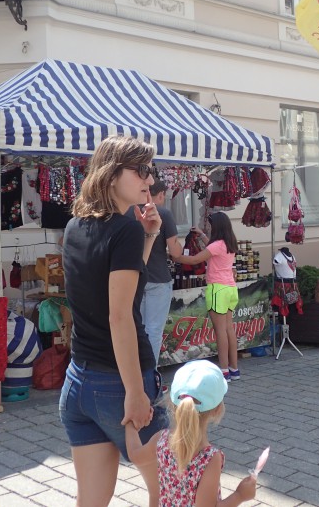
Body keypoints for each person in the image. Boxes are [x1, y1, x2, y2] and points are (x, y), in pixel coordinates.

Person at [59, 135, 169, 506]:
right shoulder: (125, 229)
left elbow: (114, 280)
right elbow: (119, 315)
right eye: (140, 170)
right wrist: (136, 394)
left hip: (79, 383)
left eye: (149, 171)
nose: (149, 180)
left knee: (90, 501)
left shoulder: (76, 225)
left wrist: (150, 237)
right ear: (110, 174)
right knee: (172, 491)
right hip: (117, 385)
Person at [126, 360, 257, 506]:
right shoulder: (209, 458)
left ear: (172, 401)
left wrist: (130, 424)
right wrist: (240, 495)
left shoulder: (161, 439)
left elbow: (135, 455)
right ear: (218, 409)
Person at [173, 212, 240, 382]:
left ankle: (223, 371)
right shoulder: (229, 242)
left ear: (216, 226)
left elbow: (195, 260)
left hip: (217, 289)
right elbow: (212, 247)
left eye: (210, 225)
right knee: (229, 329)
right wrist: (202, 235)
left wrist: (175, 256)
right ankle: (234, 369)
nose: (208, 227)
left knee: (220, 332)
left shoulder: (216, 245)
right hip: (231, 288)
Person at [129, 180, 182, 363]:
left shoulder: (129, 211)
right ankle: (150, 374)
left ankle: (137, 372)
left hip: (135, 277)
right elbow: (175, 252)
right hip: (158, 278)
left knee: (138, 328)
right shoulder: (164, 214)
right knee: (154, 330)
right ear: (159, 194)